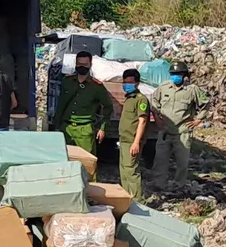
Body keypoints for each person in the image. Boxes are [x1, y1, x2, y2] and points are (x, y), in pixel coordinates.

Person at [150, 61, 209, 190]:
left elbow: (205, 103)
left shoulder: (192, 90)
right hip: (165, 130)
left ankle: (178, 185)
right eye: (172, 74)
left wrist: (198, 119)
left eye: (178, 74)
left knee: (182, 162)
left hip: (182, 132)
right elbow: (154, 101)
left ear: (185, 76)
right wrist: (157, 117)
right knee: (160, 160)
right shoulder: (164, 87)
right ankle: (159, 184)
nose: (174, 76)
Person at [53, 51, 113, 162]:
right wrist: (57, 126)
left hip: (84, 130)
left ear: (90, 65)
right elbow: (61, 104)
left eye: (85, 65)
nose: (82, 67)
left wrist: (102, 128)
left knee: (87, 162)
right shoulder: (67, 81)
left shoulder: (96, 87)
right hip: (66, 128)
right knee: (64, 160)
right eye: (79, 64)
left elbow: (108, 106)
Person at [118, 69, 149, 201]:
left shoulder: (141, 100)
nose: (127, 85)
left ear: (137, 83)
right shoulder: (129, 99)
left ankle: (138, 201)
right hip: (124, 140)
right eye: (125, 82)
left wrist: (136, 142)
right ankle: (127, 198)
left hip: (132, 141)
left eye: (130, 82)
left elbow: (142, 121)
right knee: (124, 171)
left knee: (132, 172)